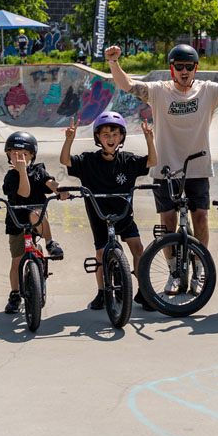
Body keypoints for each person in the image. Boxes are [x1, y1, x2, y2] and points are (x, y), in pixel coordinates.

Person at [105, 43, 218, 298]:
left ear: (195, 68)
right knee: (168, 222)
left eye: (189, 67)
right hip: (165, 170)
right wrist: (113, 62)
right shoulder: (159, 91)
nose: (184, 71)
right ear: (172, 68)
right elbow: (129, 85)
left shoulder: (208, 90)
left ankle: (198, 269)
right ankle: (174, 272)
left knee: (201, 219)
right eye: (179, 67)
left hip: (197, 168)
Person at [61, 111, 156, 310]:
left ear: (121, 137)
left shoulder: (128, 160)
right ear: (97, 137)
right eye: (105, 135)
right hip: (99, 215)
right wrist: (69, 139)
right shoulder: (88, 160)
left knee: (138, 248)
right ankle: (102, 292)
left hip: (124, 214)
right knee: (101, 253)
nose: (110, 138)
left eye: (115, 134)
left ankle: (144, 292)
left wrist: (149, 140)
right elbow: (65, 161)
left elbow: (151, 162)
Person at [0, 131, 70, 315]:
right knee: (16, 261)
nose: (19, 158)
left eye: (24, 154)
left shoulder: (38, 171)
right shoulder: (10, 177)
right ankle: (15, 294)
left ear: (32, 156)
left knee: (35, 213)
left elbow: (50, 182)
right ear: (8, 155)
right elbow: (24, 193)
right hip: (16, 222)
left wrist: (60, 190)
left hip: (37, 220)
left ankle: (50, 242)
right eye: (15, 154)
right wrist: (22, 171)